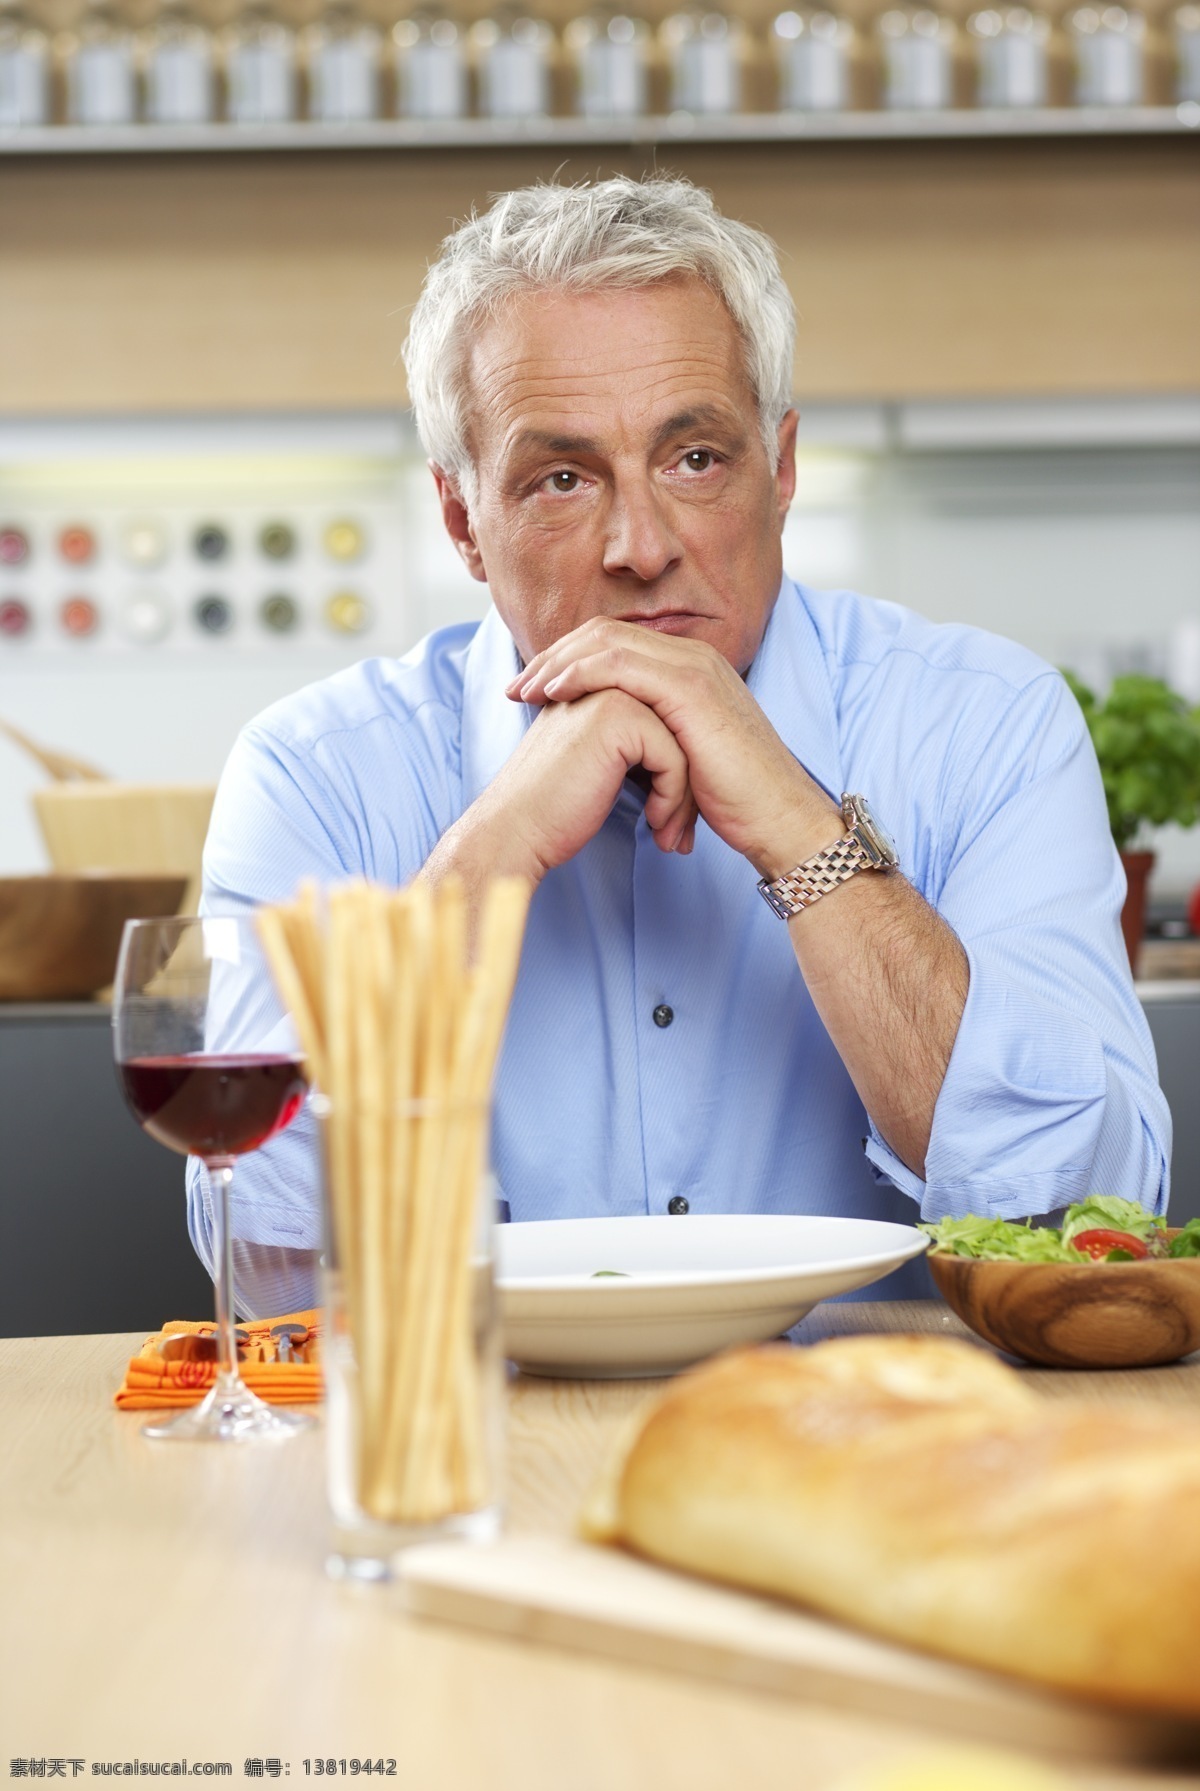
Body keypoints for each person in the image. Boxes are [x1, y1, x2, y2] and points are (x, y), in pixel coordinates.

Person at [187, 174, 1169, 1316]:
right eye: (561, 478)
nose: (641, 546)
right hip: (483, 1462)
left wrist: (802, 828)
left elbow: (1090, 1228)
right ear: (462, 521)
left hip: (894, 1460)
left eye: (694, 458)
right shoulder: (316, 771)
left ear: (782, 468)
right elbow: (268, 1271)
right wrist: (488, 857)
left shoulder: (987, 722)